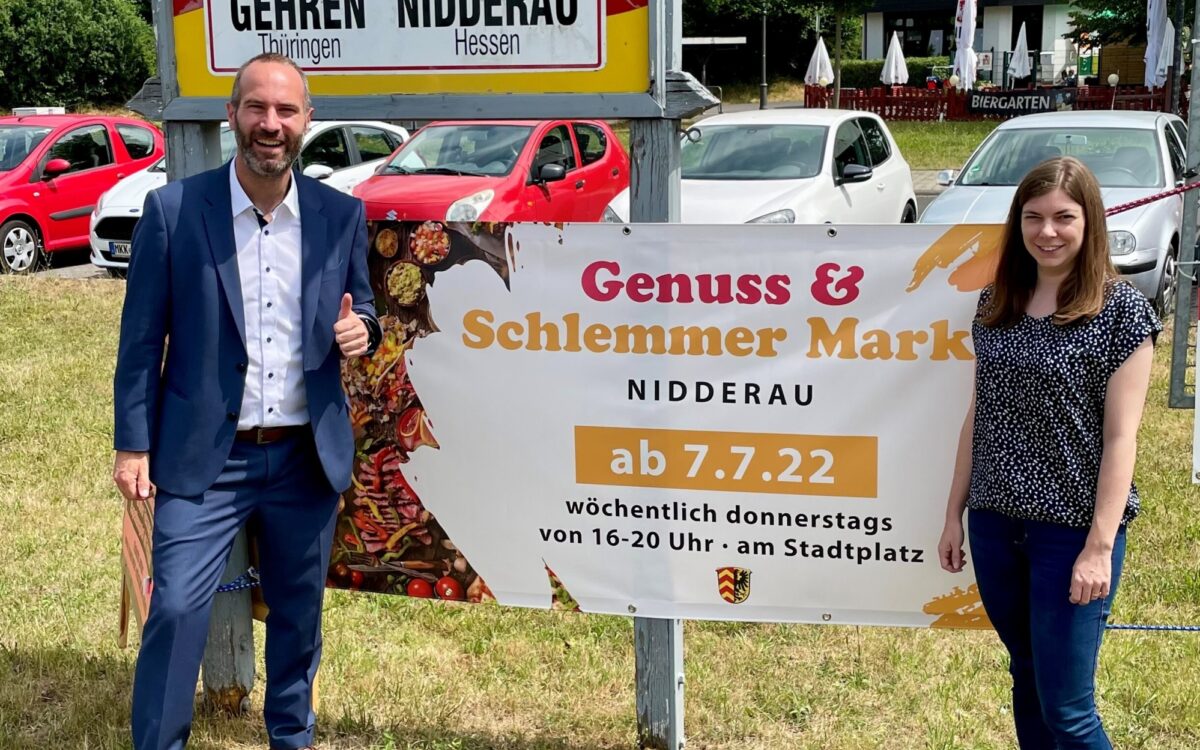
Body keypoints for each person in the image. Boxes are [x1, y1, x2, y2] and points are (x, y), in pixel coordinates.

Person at [113, 52, 380, 750]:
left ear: (306, 122)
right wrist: (132, 444)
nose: (271, 124)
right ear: (231, 114)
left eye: (285, 111)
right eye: (256, 108)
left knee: (298, 617)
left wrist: (362, 329)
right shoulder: (174, 212)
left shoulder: (340, 216)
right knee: (173, 609)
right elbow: (142, 341)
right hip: (206, 457)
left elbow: (366, 308)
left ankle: (291, 737)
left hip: (303, 457)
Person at [938, 156, 1159, 749]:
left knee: (1068, 709)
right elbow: (980, 414)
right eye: (1033, 217)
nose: (1048, 231)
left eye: (1064, 216)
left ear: (1090, 223)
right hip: (994, 525)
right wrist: (954, 514)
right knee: (1027, 677)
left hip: (1070, 532)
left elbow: (1122, 438)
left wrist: (1098, 547)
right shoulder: (996, 303)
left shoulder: (1122, 312)